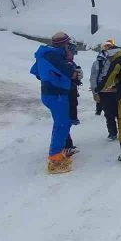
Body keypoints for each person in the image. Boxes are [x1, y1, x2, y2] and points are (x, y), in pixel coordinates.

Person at [30, 32, 76, 174]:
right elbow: (70, 73)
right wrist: (69, 65)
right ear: (64, 44)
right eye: (69, 45)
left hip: (53, 93)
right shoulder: (53, 55)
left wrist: (51, 75)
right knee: (61, 124)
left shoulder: (47, 53)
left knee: (65, 122)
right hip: (56, 94)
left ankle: (60, 152)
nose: (70, 48)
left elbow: (36, 72)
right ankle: (55, 161)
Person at [91, 39, 119, 141]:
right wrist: (95, 92)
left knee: (120, 113)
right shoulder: (98, 62)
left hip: (117, 91)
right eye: (106, 46)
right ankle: (112, 133)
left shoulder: (117, 60)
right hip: (104, 92)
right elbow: (93, 78)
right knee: (109, 114)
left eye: (110, 46)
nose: (108, 48)